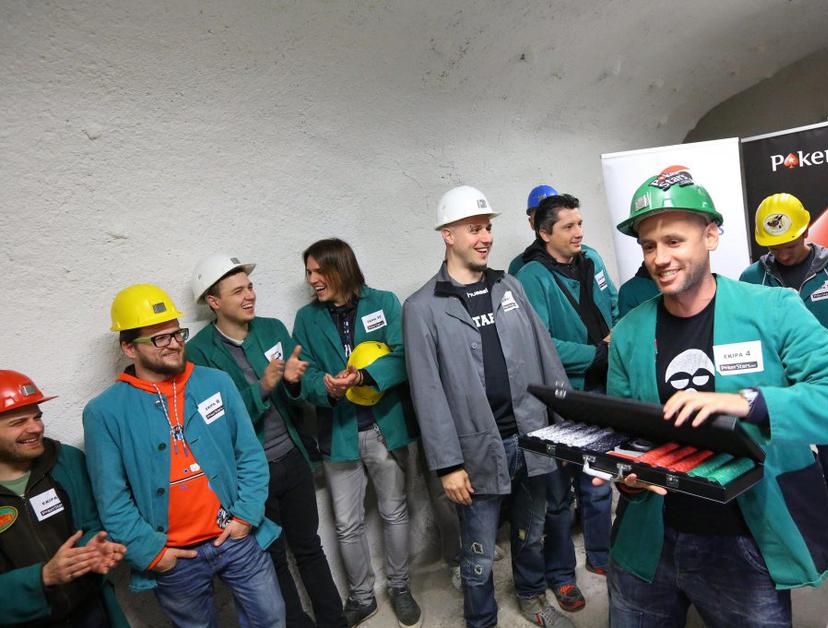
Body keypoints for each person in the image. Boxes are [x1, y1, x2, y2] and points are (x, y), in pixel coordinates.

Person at [604, 168, 828, 627]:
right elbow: (625, 434)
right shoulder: (631, 331)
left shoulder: (773, 310)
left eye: (674, 241)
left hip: (745, 541)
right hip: (648, 540)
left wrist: (749, 403)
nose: (660, 258)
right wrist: (626, 480)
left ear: (711, 236)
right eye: (649, 246)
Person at [402, 185, 574, 628]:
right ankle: (481, 620)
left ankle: (533, 600)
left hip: (532, 438)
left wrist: (565, 430)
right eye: (474, 229)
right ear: (448, 235)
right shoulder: (422, 308)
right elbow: (427, 393)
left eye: (488, 228)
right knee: (477, 553)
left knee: (531, 535)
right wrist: (447, 465)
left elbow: (546, 356)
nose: (486, 238)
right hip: (476, 450)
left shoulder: (508, 286)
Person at [83, 284, 285, 627]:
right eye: (159, 338)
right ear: (129, 348)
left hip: (235, 536)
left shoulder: (216, 383)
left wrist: (245, 517)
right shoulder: (104, 413)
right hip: (174, 557)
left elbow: (250, 455)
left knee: (271, 617)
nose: (175, 343)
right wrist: (153, 553)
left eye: (177, 333)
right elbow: (111, 499)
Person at [185, 254, 346, 628]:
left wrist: (296, 383)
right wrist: (263, 387)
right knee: (272, 558)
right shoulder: (199, 353)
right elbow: (214, 422)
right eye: (237, 291)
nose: (249, 296)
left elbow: (299, 389)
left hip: (292, 458)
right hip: (250, 478)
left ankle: (334, 621)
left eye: (250, 286)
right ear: (213, 301)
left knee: (309, 547)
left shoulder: (272, 329)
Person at [740, 193, 828, 570]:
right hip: (779, 395)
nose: (783, 254)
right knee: (782, 472)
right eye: (774, 248)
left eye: (789, 245)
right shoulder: (753, 278)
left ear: (806, 230)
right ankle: (796, 546)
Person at [291, 238, 421, 628]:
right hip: (339, 433)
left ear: (341, 268)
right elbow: (306, 372)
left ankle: (400, 588)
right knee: (347, 523)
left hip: (384, 428)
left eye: (319, 271)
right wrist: (325, 388)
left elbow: (403, 356)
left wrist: (365, 377)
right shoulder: (306, 319)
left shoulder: (384, 303)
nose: (312, 279)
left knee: (394, 511)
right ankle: (362, 597)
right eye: (308, 272)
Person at [515, 193, 617, 608]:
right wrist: (596, 353)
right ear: (545, 233)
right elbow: (540, 344)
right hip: (561, 400)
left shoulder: (591, 259)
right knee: (557, 498)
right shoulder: (530, 277)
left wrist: (617, 339)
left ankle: (601, 556)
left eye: (580, 223)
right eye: (569, 226)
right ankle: (560, 575)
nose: (579, 232)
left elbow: (613, 303)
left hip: (602, 390)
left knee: (598, 481)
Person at [1, 370, 128, 627]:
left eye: (37, 417)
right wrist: (42, 578)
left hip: (91, 611)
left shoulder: (66, 461)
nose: (36, 427)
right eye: (18, 422)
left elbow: (92, 524)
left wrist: (94, 547)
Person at [508, 184, 557, 276]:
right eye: (539, 215)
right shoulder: (518, 265)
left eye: (551, 213)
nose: (546, 220)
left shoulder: (581, 256)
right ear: (531, 223)